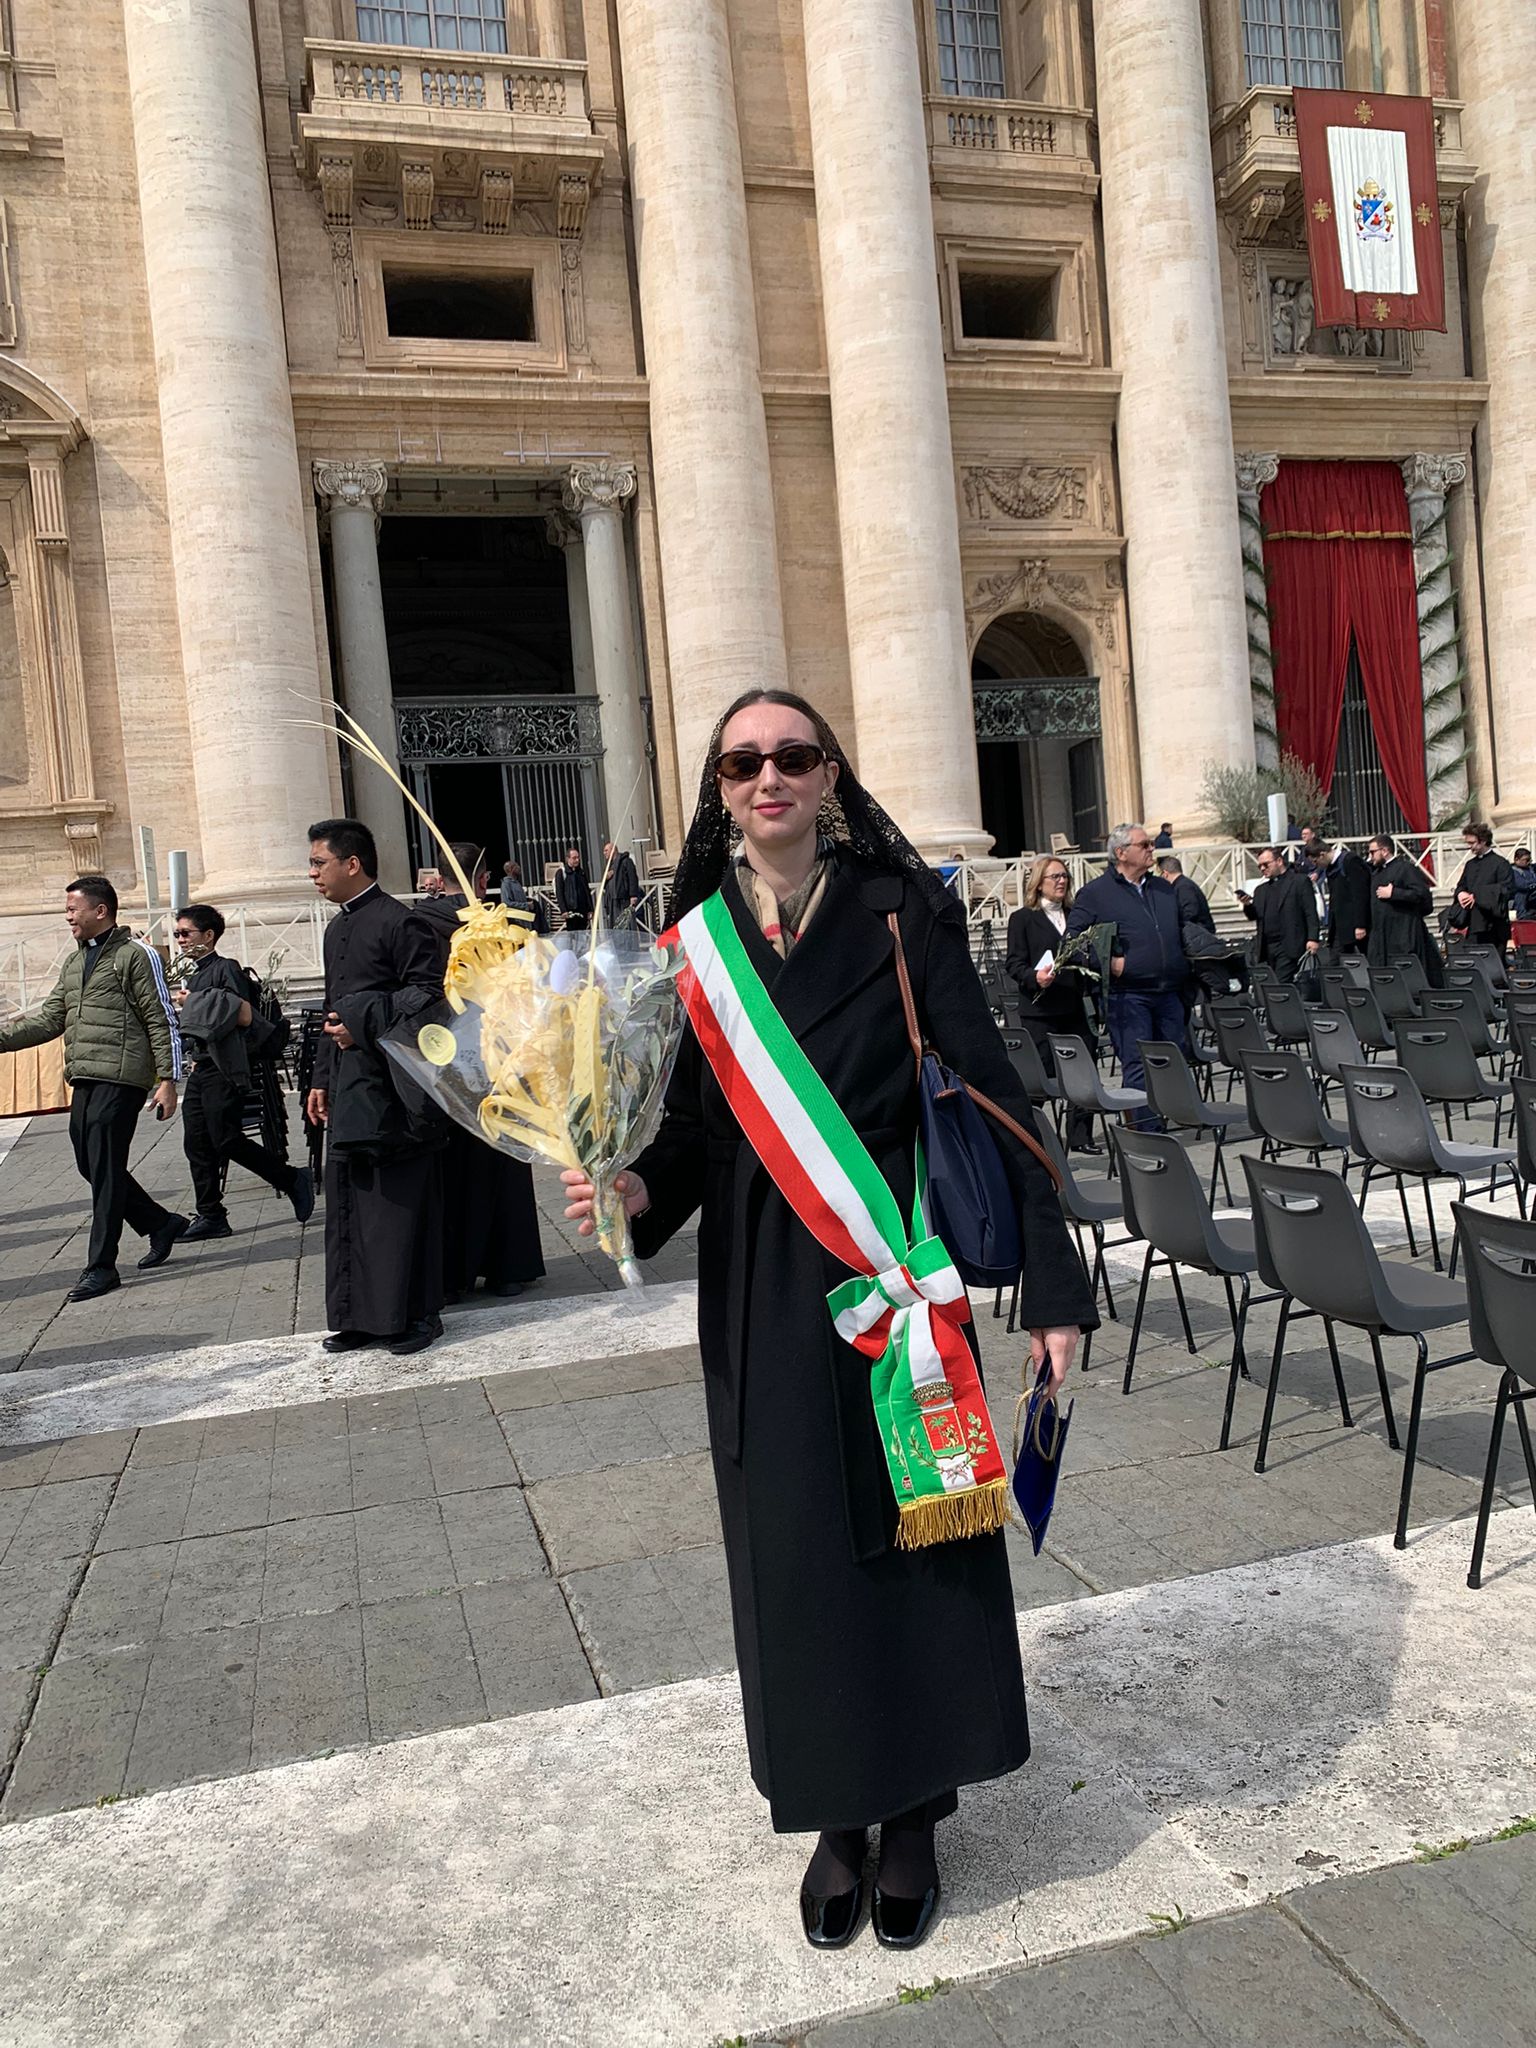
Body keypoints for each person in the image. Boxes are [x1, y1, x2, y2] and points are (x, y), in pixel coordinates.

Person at [562, 689, 1094, 1954]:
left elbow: (994, 1091)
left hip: (895, 1275)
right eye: (743, 761)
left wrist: (1054, 1282)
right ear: (719, 789)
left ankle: (913, 1813)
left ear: (829, 777)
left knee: (920, 1533)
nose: (770, 777)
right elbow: (692, 1131)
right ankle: (833, 1809)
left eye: (793, 755)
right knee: (794, 1554)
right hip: (763, 1293)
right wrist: (633, 1189)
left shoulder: (903, 912)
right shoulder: (691, 945)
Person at [0, 875, 186, 1301]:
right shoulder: (74, 962)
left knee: (104, 1168)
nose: (67, 917)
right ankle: (160, 1223)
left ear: (100, 911)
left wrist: (168, 1080)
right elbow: (51, 1019)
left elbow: (160, 1017)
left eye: (72, 909)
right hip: (84, 1076)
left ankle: (102, 1266)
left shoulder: (134, 955)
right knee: (92, 1165)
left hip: (122, 1077)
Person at [307, 818, 448, 1356]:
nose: (313, 874)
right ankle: (360, 1315)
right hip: (347, 1083)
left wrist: (364, 1018)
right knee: (349, 1197)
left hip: (394, 1086)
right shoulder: (335, 929)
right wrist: (320, 1080)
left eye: (319, 863)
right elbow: (332, 1008)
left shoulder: (401, 922)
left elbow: (430, 995)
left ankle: (416, 1314)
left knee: (397, 1203)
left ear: (352, 863)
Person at [416, 844, 546, 1303]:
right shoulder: (505, 923)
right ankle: (511, 1266)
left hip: (446, 1052)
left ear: (438, 878)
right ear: (484, 879)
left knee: (456, 1166)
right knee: (503, 1156)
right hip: (500, 1051)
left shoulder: (419, 924)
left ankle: (456, 1272)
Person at [172, 903, 314, 1240]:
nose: (180, 939)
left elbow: (243, 1014)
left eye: (185, 933)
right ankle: (211, 1214)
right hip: (202, 1066)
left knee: (226, 1139)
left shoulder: (227, 969)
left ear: (208, 935)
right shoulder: (195, 974)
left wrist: (193, 1003)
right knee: (196, 1142)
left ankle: (291, 1178)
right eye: (177, 934)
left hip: (226, 1066)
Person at [1065, 823, 1187, 1119]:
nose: (1151, 849)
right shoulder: (1096, 893)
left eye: (1151, 843)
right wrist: (1109, 963)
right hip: (1128, 997)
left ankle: (1160, 1123)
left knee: (1171, 1065)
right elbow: (1071, 943)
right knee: (1139, 1069)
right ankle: (1146, 1133)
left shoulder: (1163, 888)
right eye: (1144, 845)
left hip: (1169, 992)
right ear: (1121, 853)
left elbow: (1184, 927)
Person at [1005, 855, 1101, 1152]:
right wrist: (1035, 977)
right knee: (1039, 1077)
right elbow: (1014, 963)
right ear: (1039, 882)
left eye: (1064, 876)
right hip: (1040, 1011)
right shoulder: (1022, 918)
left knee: (1083, 1072)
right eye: (1055, 877)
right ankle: (1031, 1137)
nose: (1061, 881)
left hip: (1073, 1005)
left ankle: (1080, 1136)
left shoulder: (1076, 915)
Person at [1366, 834, 1445, 987]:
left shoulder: (1405, 869)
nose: (1370, 856)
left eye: (1372, 852)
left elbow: (1422, 896)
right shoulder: (1376, 873)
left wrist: (1394, 893)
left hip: (1404, 934)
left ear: (1384, 851)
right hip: (1382, 936)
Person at [1237, 846, 1320, 985]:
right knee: (1273, 984)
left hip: (1290, 944)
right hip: (1268, 947)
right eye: (1259, 866)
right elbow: (1255, 916)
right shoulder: (1261, 890)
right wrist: (1247, 905)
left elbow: (1310, 912)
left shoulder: (1299, 882)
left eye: (1266, 864)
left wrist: (1313, 938)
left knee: (1281, 984)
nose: (1262, 868)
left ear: (1279, 861)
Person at [1448, 822, 1513, 954]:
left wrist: (1477, 896)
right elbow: (1462, 885)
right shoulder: (1470, 864)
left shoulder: (1501, 863)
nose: (1469, 847)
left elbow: (1506, 889)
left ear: (1483, 841)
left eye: (1472, 843)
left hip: (1494, 927)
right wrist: (1460, 893)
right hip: (1473, 924)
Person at [1314, 838, 1372, 959]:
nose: (1316, 866)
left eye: (1315, 861)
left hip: (1353, 925)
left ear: (1322, 855)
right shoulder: (1330, 868)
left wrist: (1360, 924)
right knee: (1337, 963)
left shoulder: (1350, 861)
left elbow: (1360, 894)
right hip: (1338, 927)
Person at [1154, 855, 1215, 935]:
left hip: (1199, 934)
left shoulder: (1183, 887)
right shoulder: (1183, 884)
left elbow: (1190, 912)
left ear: (1165, 874)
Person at [601, 841, 643, 929]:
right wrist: (606, 878)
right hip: (613, 901)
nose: (604, 853)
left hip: (624, 900)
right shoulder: (609, 865)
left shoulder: (626, 861)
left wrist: (633, 895)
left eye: (606, 850)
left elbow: (632, 878)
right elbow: (604, 885)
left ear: (613, 850)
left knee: (627, 924)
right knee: (616, 926)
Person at [555, 845, 593, 930]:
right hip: (570, 911)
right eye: (574, 858)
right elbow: (559, 893)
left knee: (583, 934)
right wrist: (563, 910)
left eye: (578, 857)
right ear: (568, 859)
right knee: (572, 934)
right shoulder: (561, 872)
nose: (577, 860)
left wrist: (590, 909)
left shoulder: (581, 872)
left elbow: (586, 891)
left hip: (582, 910)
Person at [1510, 847, 1536, 926]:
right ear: (1516, 859)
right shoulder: (1512, 871)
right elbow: (1522, 885)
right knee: (1520, 894)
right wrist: (1533, 884)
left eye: (1529, 860)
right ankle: (1522, 916)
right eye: (1526, 860)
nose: (1529, 862)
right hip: (1518, 897)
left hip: (1532, 894)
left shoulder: (1531, 868)